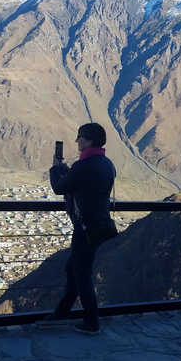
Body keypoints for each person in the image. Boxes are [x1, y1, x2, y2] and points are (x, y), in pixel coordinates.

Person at [36, 122, 115, 336]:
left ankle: (91, 323)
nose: (76, 140)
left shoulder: (85, 165)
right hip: (100, 225)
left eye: (79, 137)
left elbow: (59, 187)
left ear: (88, 141)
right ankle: (61, 313)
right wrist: (65, 169)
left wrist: (55, 168)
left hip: (85, 227)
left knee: (81, 274)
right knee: (74, 270)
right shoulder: (105, 163)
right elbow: (82, 181)